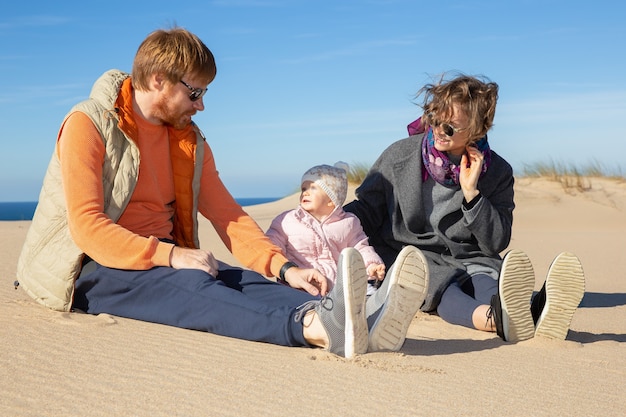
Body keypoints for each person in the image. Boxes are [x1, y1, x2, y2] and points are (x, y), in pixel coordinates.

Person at [14, 27, 426, 358]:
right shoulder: (89, 124)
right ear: (158, 80)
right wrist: (173, 255)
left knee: (244, 281)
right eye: (194, 92)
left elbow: (228, 215)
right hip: (89, 265)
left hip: (159, 252)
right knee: (197, 290)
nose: (201, 105)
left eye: (204, 94)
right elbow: (87, 228)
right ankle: (317, 328)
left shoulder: (189, 142)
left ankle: (359, 318)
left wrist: (285, 269)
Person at [344, 73, 585, 342]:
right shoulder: (399, 156)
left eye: (449, 128)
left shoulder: (498, 172)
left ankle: (536, 309)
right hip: (407, 252)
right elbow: (366, 208)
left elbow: (496, 241)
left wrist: (472, 194)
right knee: (441, 285)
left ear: (477, 131)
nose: (437, 130)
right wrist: (330, 223)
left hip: (470, 257)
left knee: (484, 280)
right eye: (434, 119)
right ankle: (493, 319)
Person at [266, 162, 386, 294]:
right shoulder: (287, 221)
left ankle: (382, 298)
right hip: (299, 287)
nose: (305, 193)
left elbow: (360, 247)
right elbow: (271, 245)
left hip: (336, 287)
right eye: (303, 189)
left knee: (365, 291)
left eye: (312, 188)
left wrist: (372, 264)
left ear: (331, 199)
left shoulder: (348, 222)